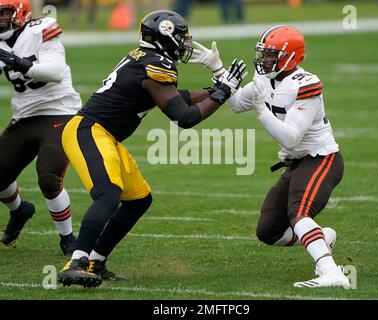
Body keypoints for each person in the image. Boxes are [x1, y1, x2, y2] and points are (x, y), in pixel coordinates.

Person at [58, 9, 247, 288]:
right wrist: (221, 93)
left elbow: (175, 97)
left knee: (138, 200)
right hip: (89, 130)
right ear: (166, 36)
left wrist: (216, 88)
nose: (185, 44)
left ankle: (96, 261)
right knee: (108, 194)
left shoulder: (146, 58)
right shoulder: (156, 64)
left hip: (104, 134)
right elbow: (184, 117)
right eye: (181, 38)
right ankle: (76, 261)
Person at [225, 25, 350, 288]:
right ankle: (320, 237)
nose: (264, 59)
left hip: (321, 158)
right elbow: (236, 104)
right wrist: (217, 71)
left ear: (290, 56)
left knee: (299, 213)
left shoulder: (306, 84)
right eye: (263, 53)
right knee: (268, 231)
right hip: (296, 163)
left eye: (271, 54)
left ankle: (331, 272)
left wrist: (261, 109)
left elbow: (290, 137)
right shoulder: (265, 79)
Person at [0, 0, 81, 256]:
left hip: (60, 111)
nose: (0, 18)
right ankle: (19, 210)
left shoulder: (42, 28)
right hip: (25, 116)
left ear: (20, 13)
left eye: (4, 12)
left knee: (48, 176)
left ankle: (68, 239)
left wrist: (15, 60)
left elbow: (55, 72)